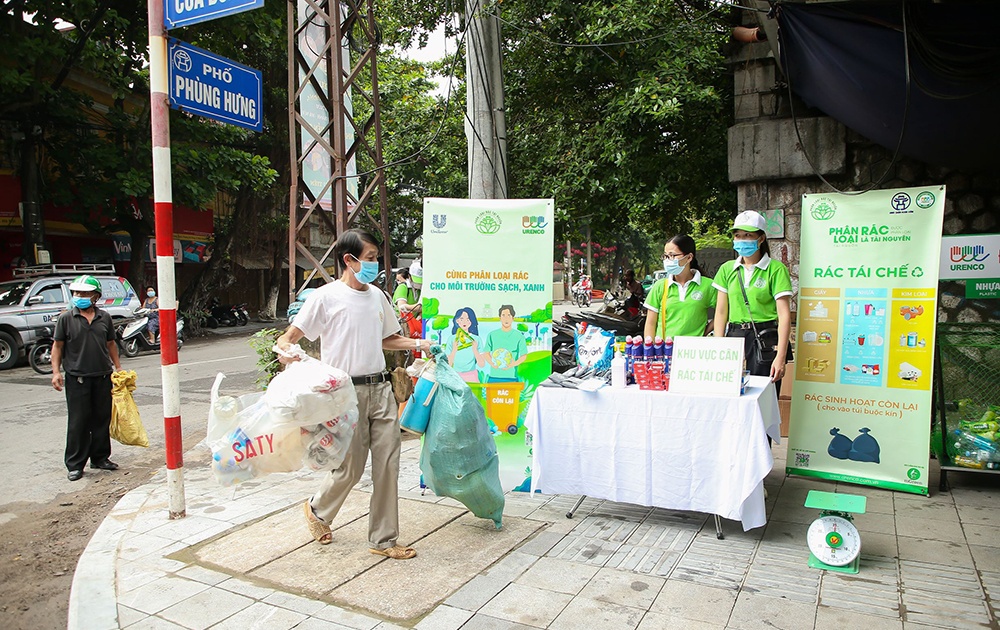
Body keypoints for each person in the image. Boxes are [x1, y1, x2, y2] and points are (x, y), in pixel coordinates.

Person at [275, 228, 431, 559]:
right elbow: (289, 338)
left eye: (376, 259)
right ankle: (318, 510)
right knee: (351, 468)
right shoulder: (325, 297)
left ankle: (384, 539)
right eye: (370, 258)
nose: (375, 265)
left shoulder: (377, 297)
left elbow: (389, 338)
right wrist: (285, 349)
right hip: (345, 394)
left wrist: (421, 344)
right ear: (350, 259)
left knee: (388, 462)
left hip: (381, 389)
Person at [51, 274, 122, 481]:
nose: (79, 296)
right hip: (77, 378)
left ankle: (100, 458)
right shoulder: (66, 318)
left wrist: (118, 367)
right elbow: (57, 346)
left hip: (102, 376)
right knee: (78, 422)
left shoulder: (104, 317)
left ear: (95, 296)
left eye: (84, 293)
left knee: (102, 419)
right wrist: (56, 372)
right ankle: (75, 464)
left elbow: (111, 344)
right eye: (76, 293)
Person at [713, 210, 793, 387]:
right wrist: (719, 347)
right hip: (735, 336)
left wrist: (780, 355)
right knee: (732, 393)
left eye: (748, 235)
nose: (742, 240)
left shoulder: (776, 269)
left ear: (761, 238)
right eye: (738, 235)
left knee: (764, 396)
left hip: (765, 338)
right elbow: (720, 312)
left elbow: (784, 315)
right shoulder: (727, 269)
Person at [644, 235, 717, 339]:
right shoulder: (660, 286)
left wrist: (705, 331)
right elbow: (650, 323)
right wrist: (650, 348)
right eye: (666, 256)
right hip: (666, 350)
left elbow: (723, 312)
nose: (668, 260)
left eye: (673, 255)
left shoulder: (708, 285)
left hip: (693, 351)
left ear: (689, 257)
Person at [483, 305, 528, 383]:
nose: (506, 318)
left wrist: (513, 364)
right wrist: (492, 364)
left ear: (513, 318)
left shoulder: (519, 336)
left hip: (511, 377)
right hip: (494, 376)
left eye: (509, 315)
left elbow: (524, 355)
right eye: (503, 315)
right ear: (500, 318)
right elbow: (486, 353)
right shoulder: (492, 335)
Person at [448, 307, 485, 382]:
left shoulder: (477, 339)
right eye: (461, 319)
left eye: (468, 319)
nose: (464, 322)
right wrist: (454, 349)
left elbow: (482, 364)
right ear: (457, 320)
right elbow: (448, 363)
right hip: (455, 376)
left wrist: (475, 350)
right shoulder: (452, 339)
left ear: (471, 321)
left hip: (471, 376)